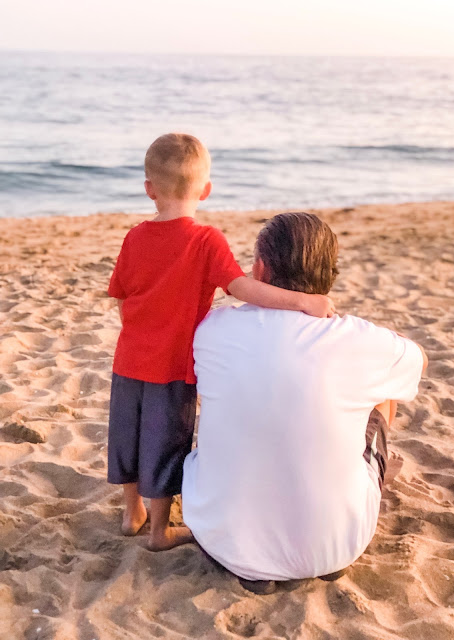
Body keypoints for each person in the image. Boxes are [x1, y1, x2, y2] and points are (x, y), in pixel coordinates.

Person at [107, 136, 335, 551]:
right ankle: (158, 532)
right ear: (206, 190)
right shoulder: (205, 240)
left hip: (128, 361)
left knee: (128, 434)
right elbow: (243, 288)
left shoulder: (134, 237)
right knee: (165, 442)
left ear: (149, 189)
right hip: (172, 366)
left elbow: (121, 296)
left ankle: (130, 513)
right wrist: (303, 301)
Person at [182, 212, 428, 593]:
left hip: (223, 542)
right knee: (384, 390)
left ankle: (257, 560)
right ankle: (327, 518)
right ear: (328, 278)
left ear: (260, 270)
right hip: (339, 547)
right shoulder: (355, 337)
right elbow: (419, 361)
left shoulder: (214, 328)